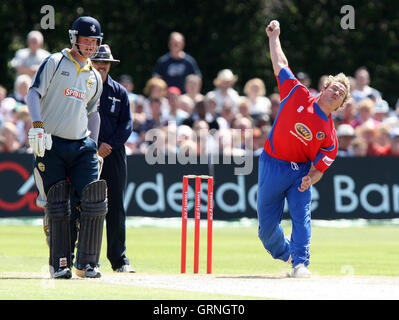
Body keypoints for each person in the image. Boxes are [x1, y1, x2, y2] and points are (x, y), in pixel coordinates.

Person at [257, 20, 351, 278]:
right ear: (325, 87)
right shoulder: (296, 93)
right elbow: (280, 65)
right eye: (335, 87)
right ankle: (287, 254)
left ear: (341, 104)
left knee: (301, 215)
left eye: (341, 93)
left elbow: (320, 167)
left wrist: (312, 177)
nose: (336, 92)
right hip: (272, 163)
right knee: (265, 229)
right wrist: (274, 37)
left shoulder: (330, 137)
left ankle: (301, 263)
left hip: (300, 172)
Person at [26, 16, 106, 279]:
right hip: (52, 142)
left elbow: (93, 113)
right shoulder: (55, 61)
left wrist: (93, 145)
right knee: (59, 204)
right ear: (75, 38)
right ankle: (60, 263)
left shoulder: (94, 75)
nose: (90, 45)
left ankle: (87, 264)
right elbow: (33, 92)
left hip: (82, 145)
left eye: (94, 41)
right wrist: (37, 124)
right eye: (86, 40)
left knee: (93, 200)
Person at [90, 44, 135, 273]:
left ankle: (119, 260)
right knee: (86, 206)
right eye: (98, 62)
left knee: (116, 206)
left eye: (105, 63)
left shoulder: (119, 91)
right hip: (87, 152)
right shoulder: (83, 87)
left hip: (114, 154)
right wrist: (95, 146)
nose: (101, 66)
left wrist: (109, 145)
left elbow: (127, 124)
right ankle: (87, 259)